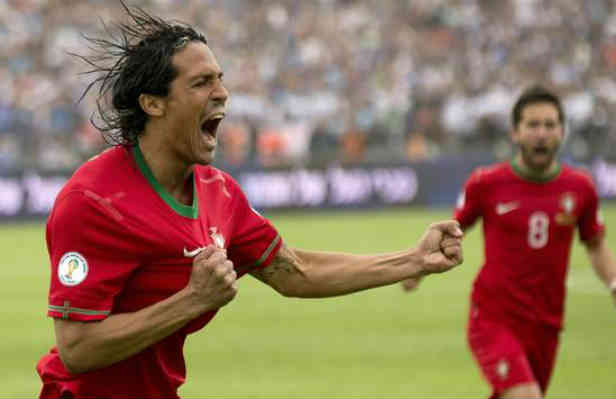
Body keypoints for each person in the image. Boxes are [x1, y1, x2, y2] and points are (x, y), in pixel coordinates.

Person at [36, 3, 464, 398]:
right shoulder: (94, 200)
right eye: (202, 82)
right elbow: (77, 349)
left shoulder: (217, 192)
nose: (222, 93)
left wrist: (413, 260)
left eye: (220, 79)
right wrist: (193, 298)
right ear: (153, 103)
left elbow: (294, 271)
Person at [403, 86, 616, 398]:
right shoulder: (487, 183)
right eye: (533, 125)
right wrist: (416, 270)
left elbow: (595, 243)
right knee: (526, 395)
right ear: (515, 132)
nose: (542, 134)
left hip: (546, 324)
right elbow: (451, 229)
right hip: (493, 317)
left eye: (550, 125)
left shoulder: (580, 188)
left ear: (562, 131)